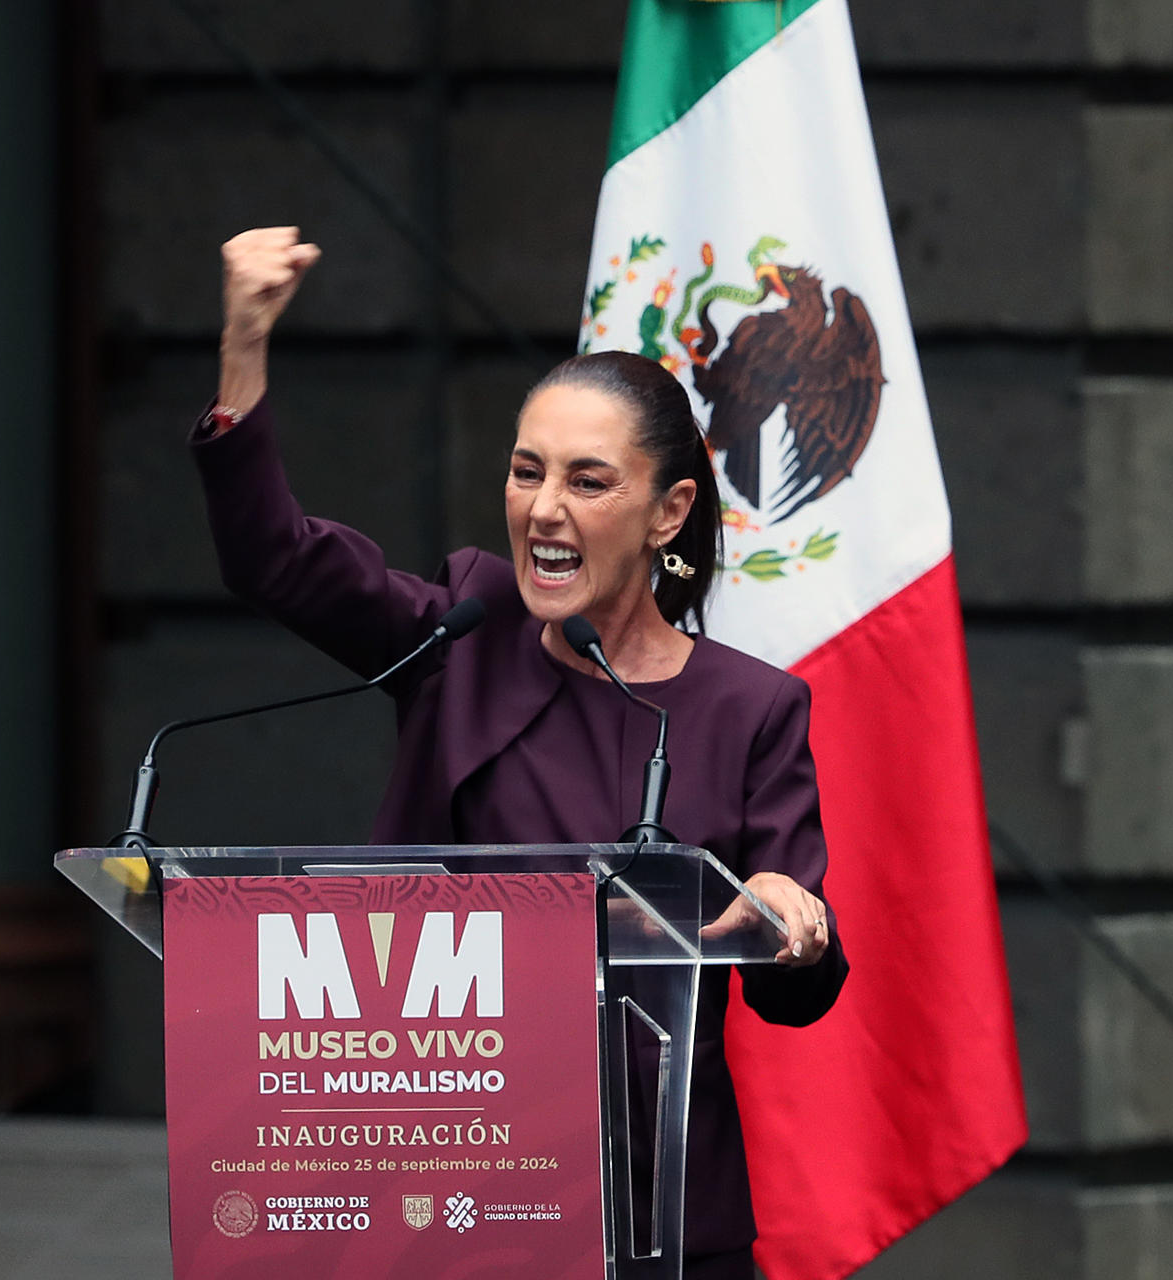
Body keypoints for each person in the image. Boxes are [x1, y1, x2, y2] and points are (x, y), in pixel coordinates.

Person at [191, 226, 846, 1278]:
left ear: (668, 510)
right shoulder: (462, 630)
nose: (542, 508)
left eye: (588, 482)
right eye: (526, 470)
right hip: (449, 1197)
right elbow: (275, 558)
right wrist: (245, 340)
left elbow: (791, 982)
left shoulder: (749, 707)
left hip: (660, 1220)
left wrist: (794, 921)